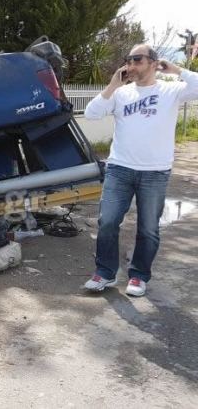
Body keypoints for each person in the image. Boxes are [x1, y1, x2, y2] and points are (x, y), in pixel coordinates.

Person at [84, 44, 198, 296]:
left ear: (154, 63)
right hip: (119, 169)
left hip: (155, 172)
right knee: (107, 221)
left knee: (148, 227)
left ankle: (138, 276)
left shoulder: (171, 90)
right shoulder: (122, 94)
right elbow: (91, 114)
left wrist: (177, 69)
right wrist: (113, 84)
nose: (130, 65)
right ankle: (105, 273)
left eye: (137, 60)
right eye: (128, 60)